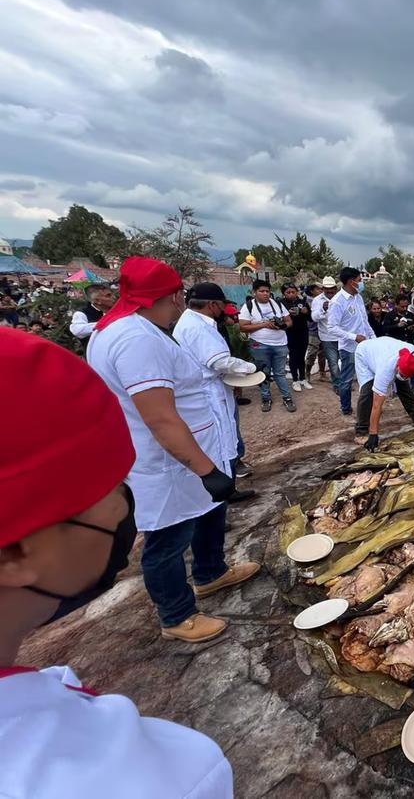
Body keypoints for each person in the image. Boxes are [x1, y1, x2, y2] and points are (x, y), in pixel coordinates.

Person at [0, 331, 234, 798]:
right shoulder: (158, 777)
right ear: (15, 553)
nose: (124, 510)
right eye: (112, 489)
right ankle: (177, 615)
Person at [87, 257, 259, 644]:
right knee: (169, 538)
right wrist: (206, 470)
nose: (179, 304)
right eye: (176, 297)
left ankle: (211, 572)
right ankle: (177, 615)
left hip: (190, 449)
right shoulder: (137, 340)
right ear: (166, 297)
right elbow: (160, 418)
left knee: (207, 512)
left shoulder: (126, 328)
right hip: (168, 460)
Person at [173, 282, 258, 492]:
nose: (223, 310)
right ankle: (226, 490)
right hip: (208, 392)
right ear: (212, 305)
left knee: (225, 436)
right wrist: (251, 367)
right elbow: (220, 362)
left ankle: (229, 486)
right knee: (222, 439)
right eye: (221, 305)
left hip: (211, 387)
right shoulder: (197, 327)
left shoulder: (192, 321)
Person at [353, 337, 414, 450]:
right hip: (364, 353)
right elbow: (377, 405)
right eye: (402, 374)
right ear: (397, 366)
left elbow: (404, 374)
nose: (404, 377)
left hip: (384, 347)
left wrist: (403, 377)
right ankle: (361, 432)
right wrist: (373, 434)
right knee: (367, 392)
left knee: (404, 387)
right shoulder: (384, 370)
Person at [238, 279, 294, 413]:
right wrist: (264, 324)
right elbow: (243, 327)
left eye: (267, 291)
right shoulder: (249, 306)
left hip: (280, 344)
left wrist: (282, 326)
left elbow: (289, 321)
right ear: (254, 292)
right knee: (264, 373)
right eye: (261, 291)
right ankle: (266, 398)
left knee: (280, 373)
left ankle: (287, 398)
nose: (265, 294)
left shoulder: (277, 304)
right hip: (260, 344)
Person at [328, 267, 376, 416]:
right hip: (349, 348)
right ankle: (346, 409)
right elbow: (331, 328)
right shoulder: (337, 302)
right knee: (347, 380)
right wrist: (353, 337)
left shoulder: (358, 297)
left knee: (368, 378)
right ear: (351, 282)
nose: (361, 283)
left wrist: (373, 338)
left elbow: (364, 321)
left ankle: (368, 409)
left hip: (366, 346)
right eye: (359, 280)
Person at [310, 276, 341, 389]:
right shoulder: (317, 300)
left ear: (335, 288)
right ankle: (337, 385)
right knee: (333, 362)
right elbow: (314, 318)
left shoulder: (341, 298)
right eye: (327, 288)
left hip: (343, 336)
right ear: (323, 289)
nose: (329, 291)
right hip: (327, 337)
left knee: (345, 362)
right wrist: (323, 309)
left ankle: (344, 384)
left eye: (331, 288)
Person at [280, 284, 312, 392]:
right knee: (293, 356)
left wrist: (306, 312)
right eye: (288, 292)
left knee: (301, 356)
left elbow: (311, 318)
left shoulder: (302, 301)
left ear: (297, 292)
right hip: (289, 333)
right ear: (283, 293)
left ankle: (303, 378)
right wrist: (288, 314)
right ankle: (295, 380)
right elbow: (279, 319)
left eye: (293, 292)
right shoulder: (281, 304)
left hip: (303, 332)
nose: (291, 294)